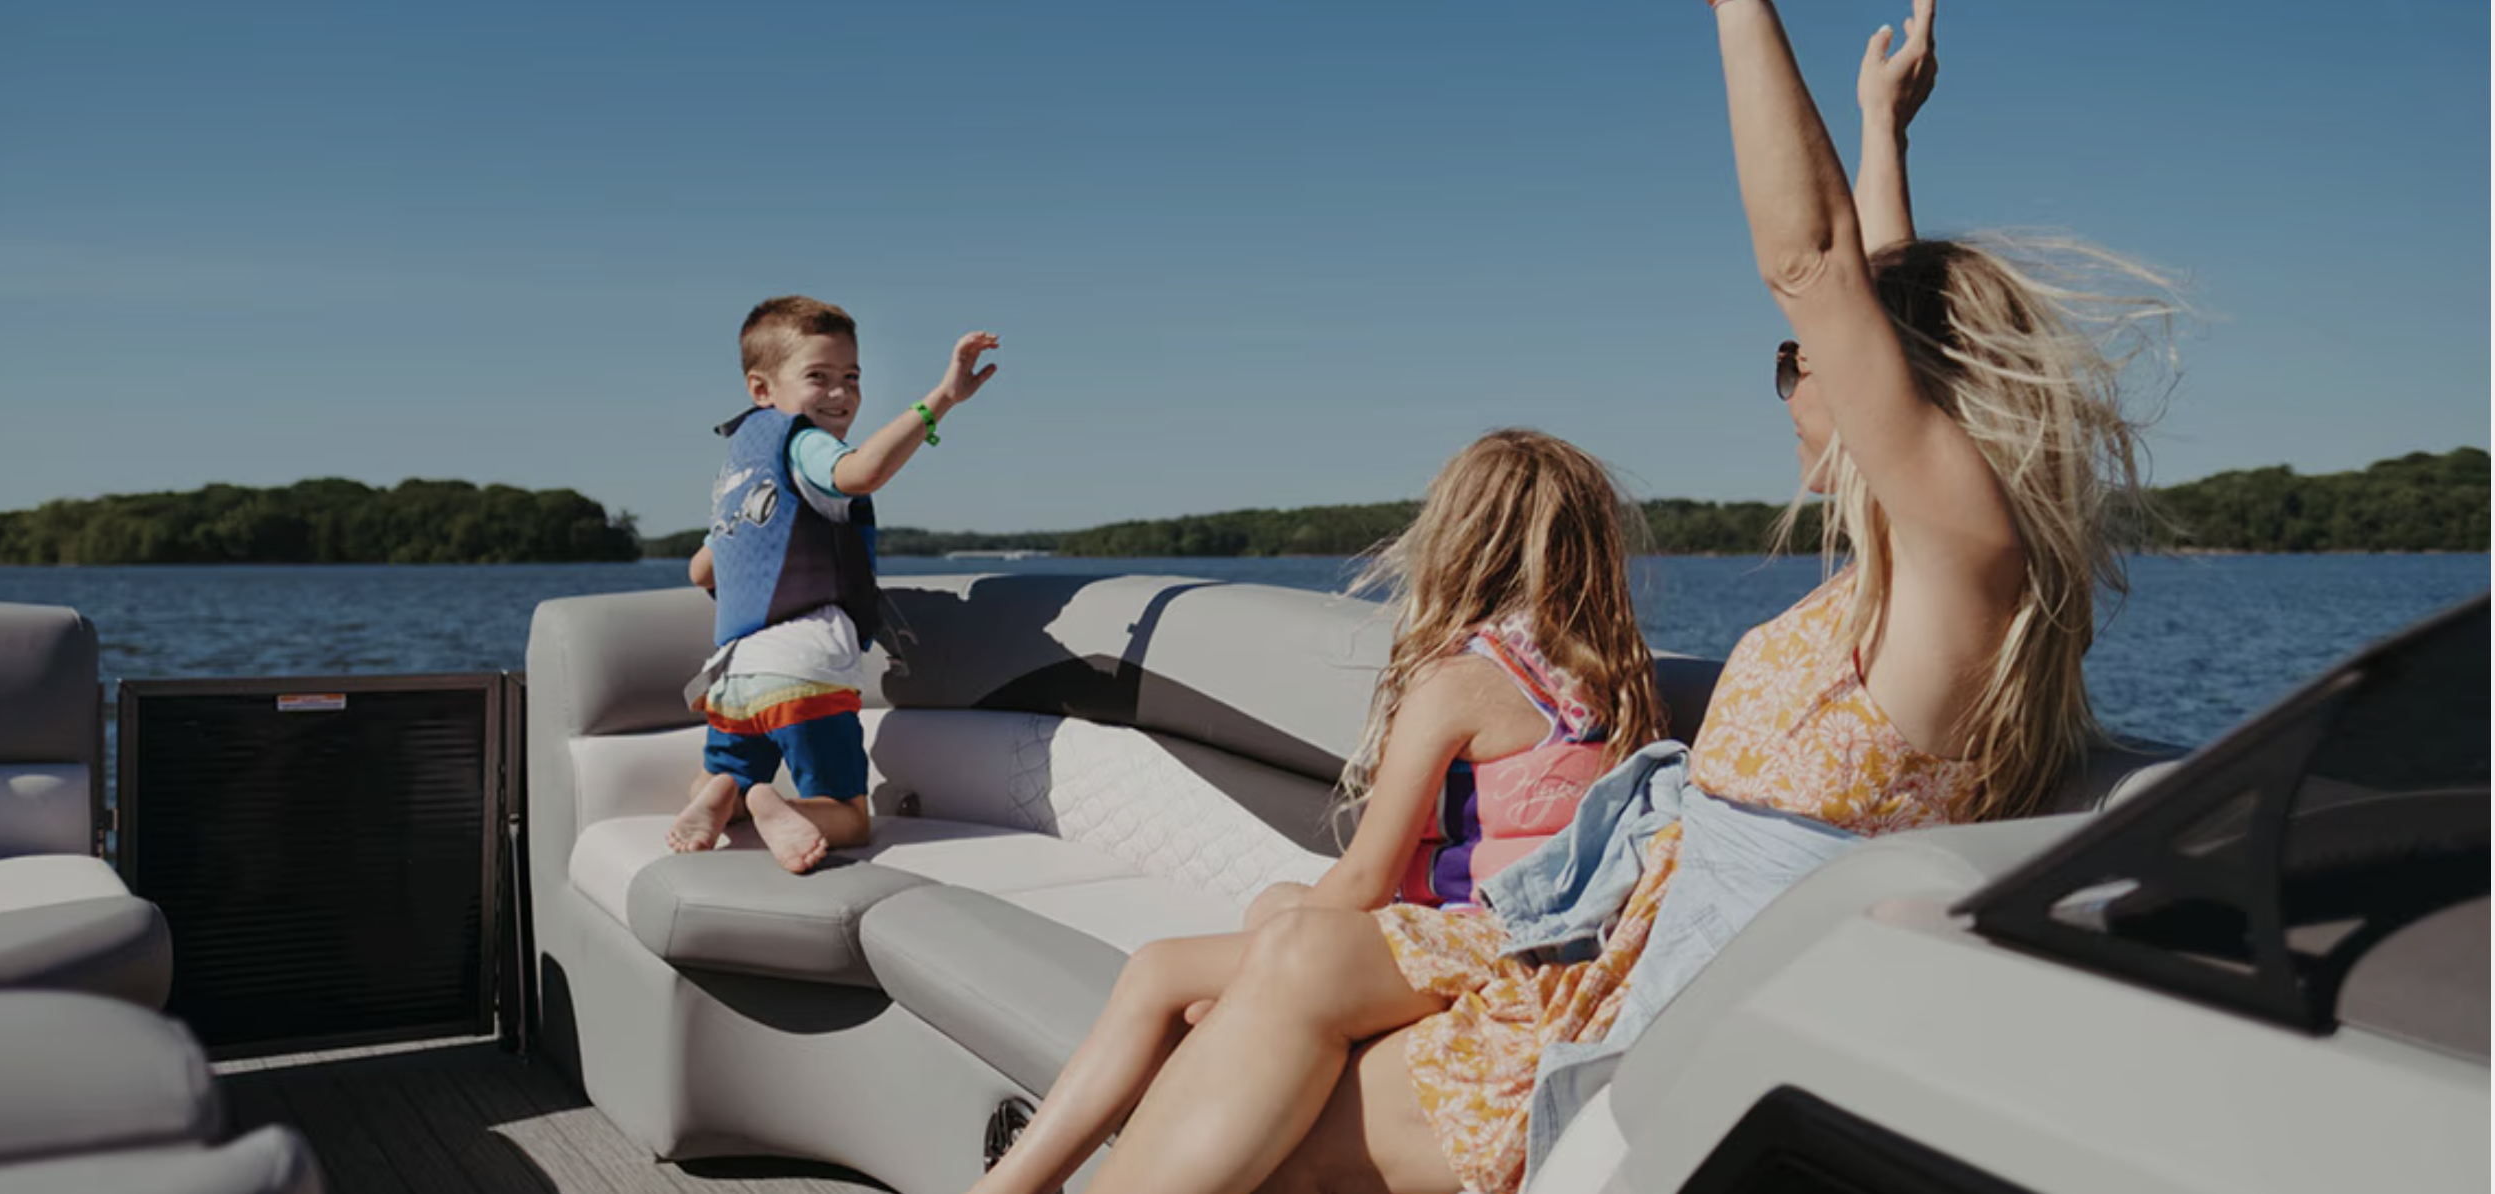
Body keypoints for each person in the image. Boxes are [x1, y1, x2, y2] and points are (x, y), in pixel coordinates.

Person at [1039, 3, 2175, 1193]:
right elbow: (1877, 292)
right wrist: (1880, 131)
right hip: (1624, 937)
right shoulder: (1914, 578)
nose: (1796, 381)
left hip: (1689, 1018)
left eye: (1800, 361)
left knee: (1276, 1130)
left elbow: (1818, 266)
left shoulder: (1960, 579)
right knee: (1292, 961)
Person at [968, 428, 1667, 1194]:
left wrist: (1250, 982)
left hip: (1481, 944)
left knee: (1160, 970)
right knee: (1276, 903)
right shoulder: (1615, 682)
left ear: (1459, 541)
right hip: (1552, 948)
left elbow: (1367, 877)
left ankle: (1014, 1185)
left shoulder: (1463, 681)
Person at [668, 295, 1000, 873]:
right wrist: (942, 399)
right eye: (818, 377)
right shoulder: (806, 444)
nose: (840, 393)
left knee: (725, 773)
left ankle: (721, 794)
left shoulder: (740, 470)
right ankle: (777, 807)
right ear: (761, 389)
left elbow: (702, 570)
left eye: (851, 377)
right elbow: (862, 472)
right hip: (804, 666)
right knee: (849, 816)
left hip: (734, 676)